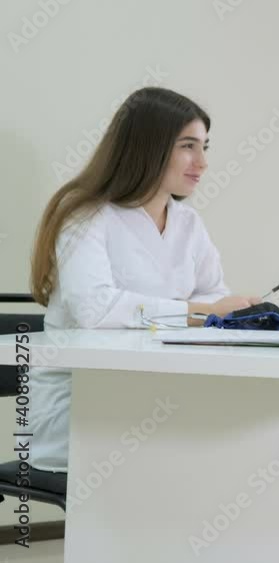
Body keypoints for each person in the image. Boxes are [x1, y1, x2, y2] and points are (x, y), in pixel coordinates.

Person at [27, 87, 260, 472]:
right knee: (194, 457)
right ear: (149, 146)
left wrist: (220, 309)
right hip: (81, 408)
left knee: (230, 442)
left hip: (155, 393)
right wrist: (201, 313)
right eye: (188, 146)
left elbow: (214, 292)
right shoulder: (86, 216)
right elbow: (94, 310)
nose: (202, 162)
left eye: (204, 147)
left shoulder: (188, 223)